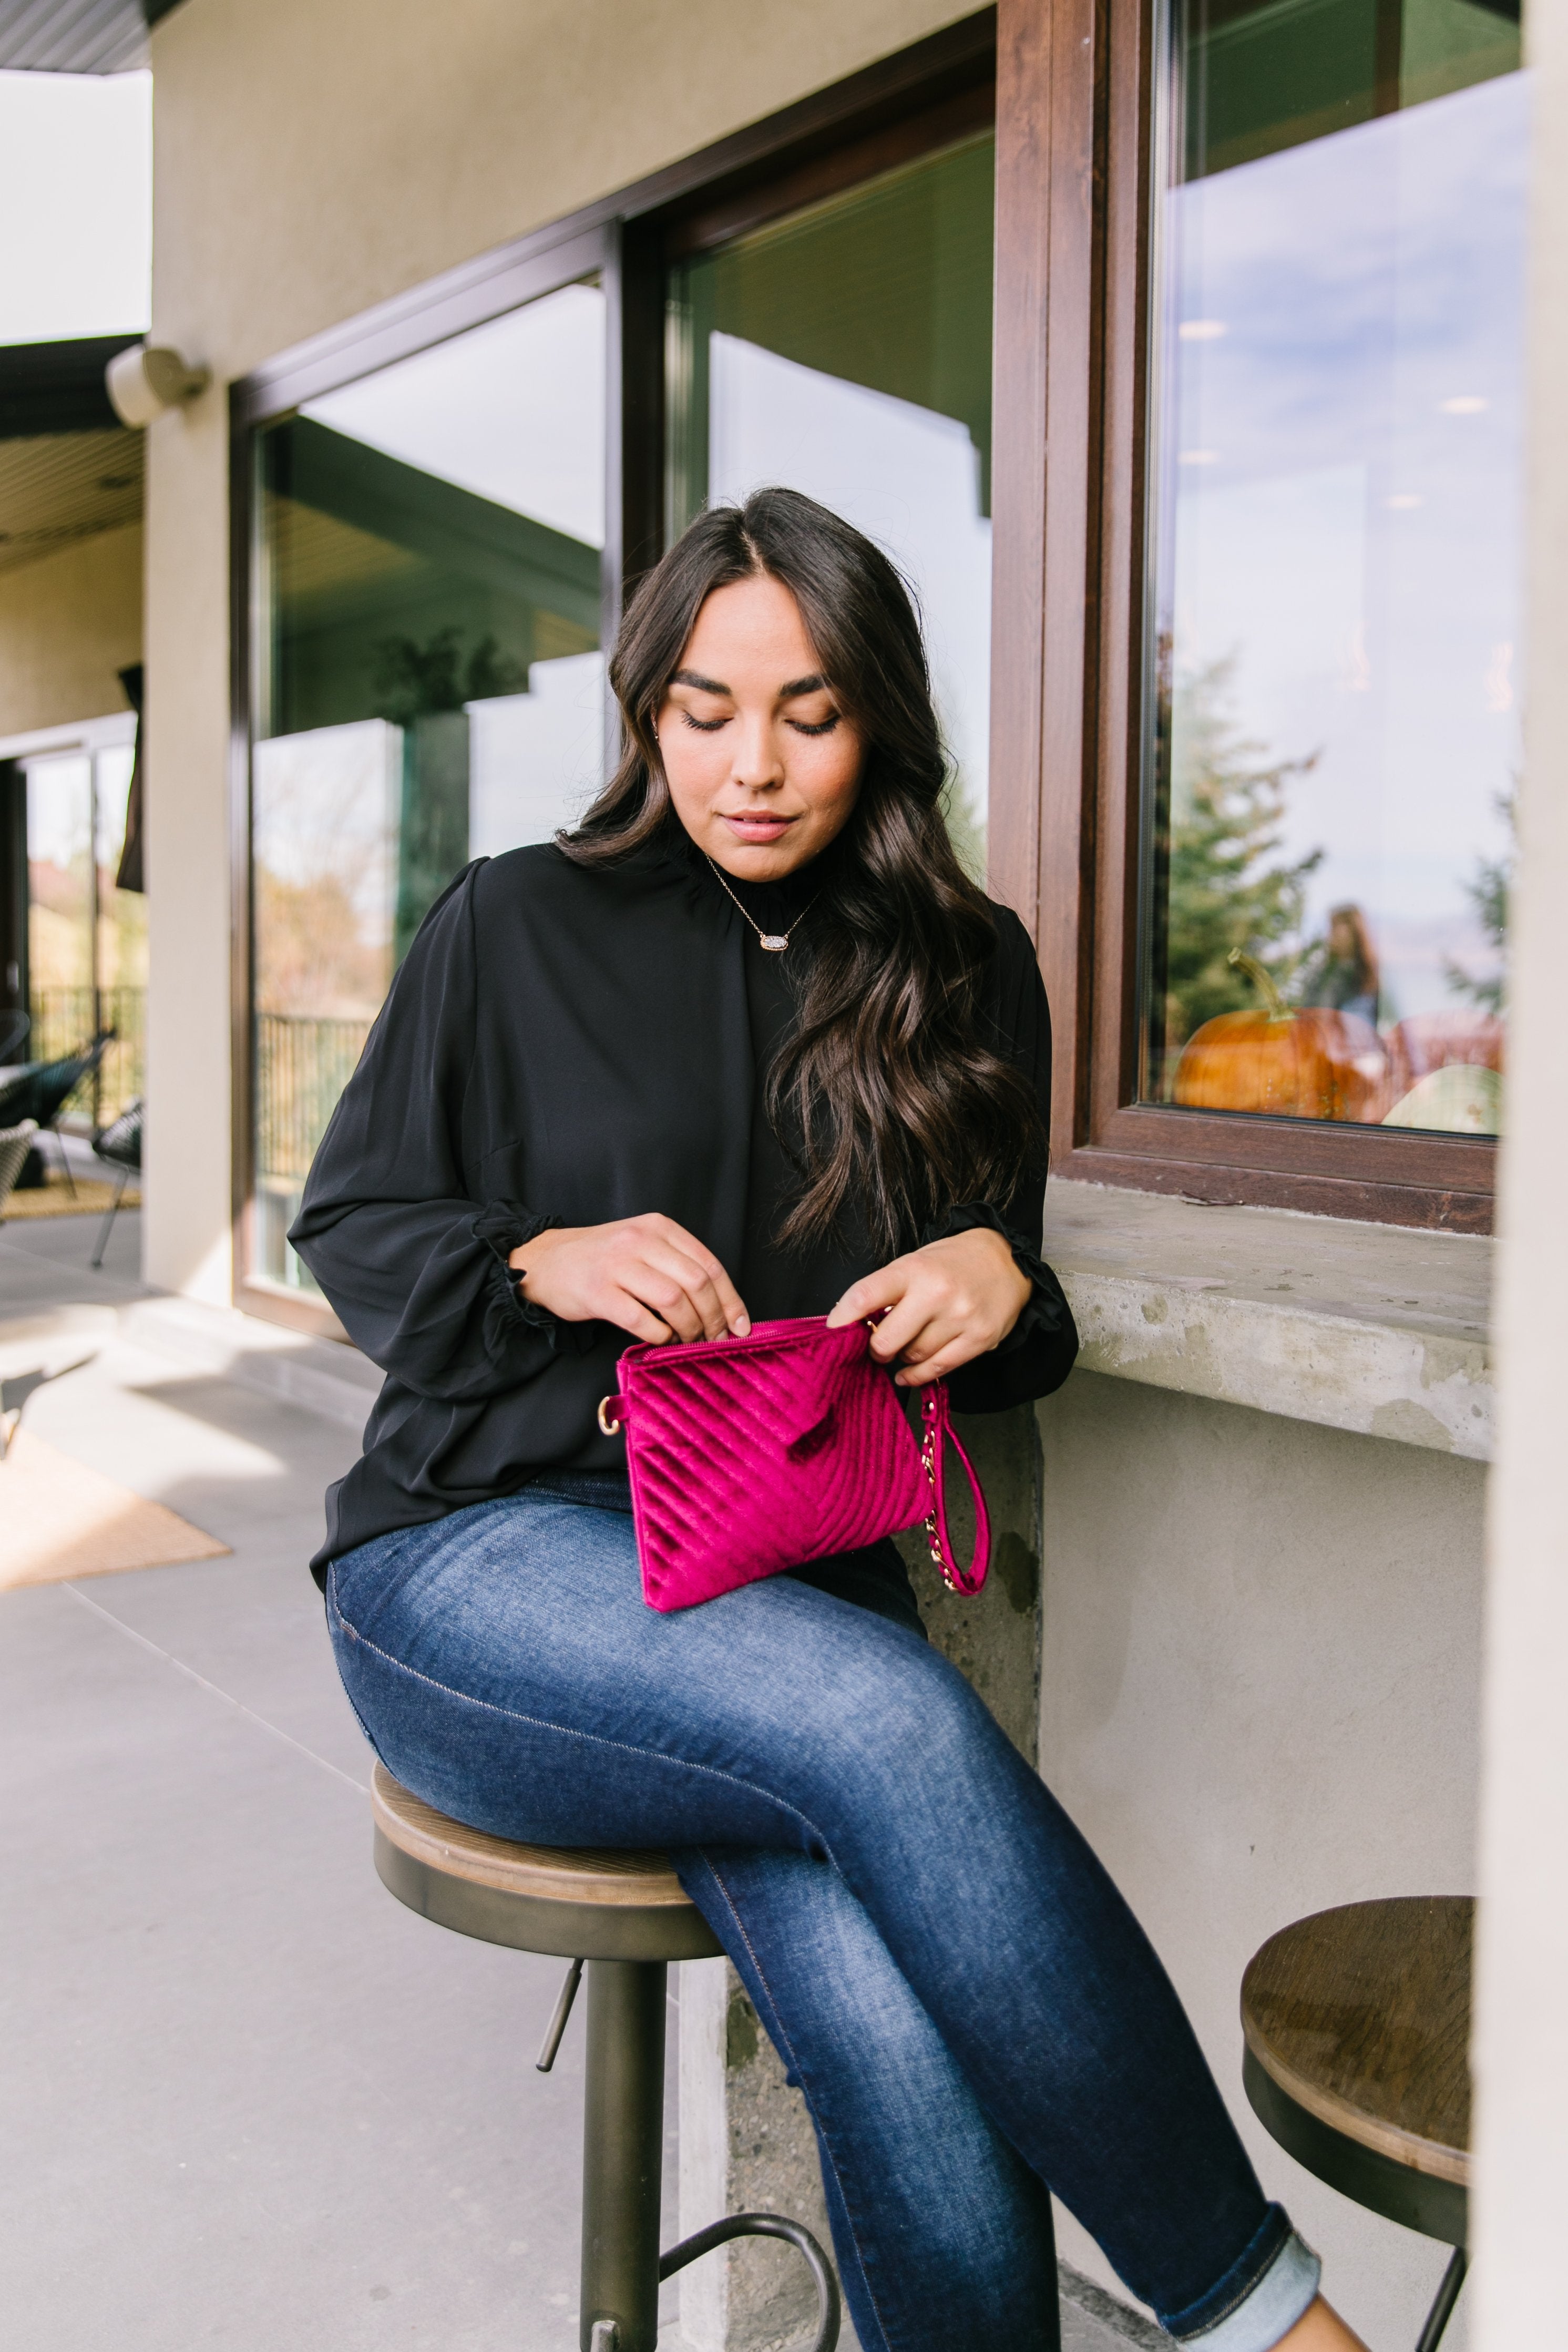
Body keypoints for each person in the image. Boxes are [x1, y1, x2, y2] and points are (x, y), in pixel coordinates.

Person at [293, 489, 1369, 2352]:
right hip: (473, 1561)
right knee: (891, 1717)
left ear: (879, 718)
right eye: (703, 709)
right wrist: (535, 1253)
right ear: (648, 710)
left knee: (894, 2010)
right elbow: (355, 1223)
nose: (752, 763)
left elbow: (995, 1315)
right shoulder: (517, 924)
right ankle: (1268, 2319)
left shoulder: (966, 973)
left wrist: (1007, 1291)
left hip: (784, 1585)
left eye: (808, 710)